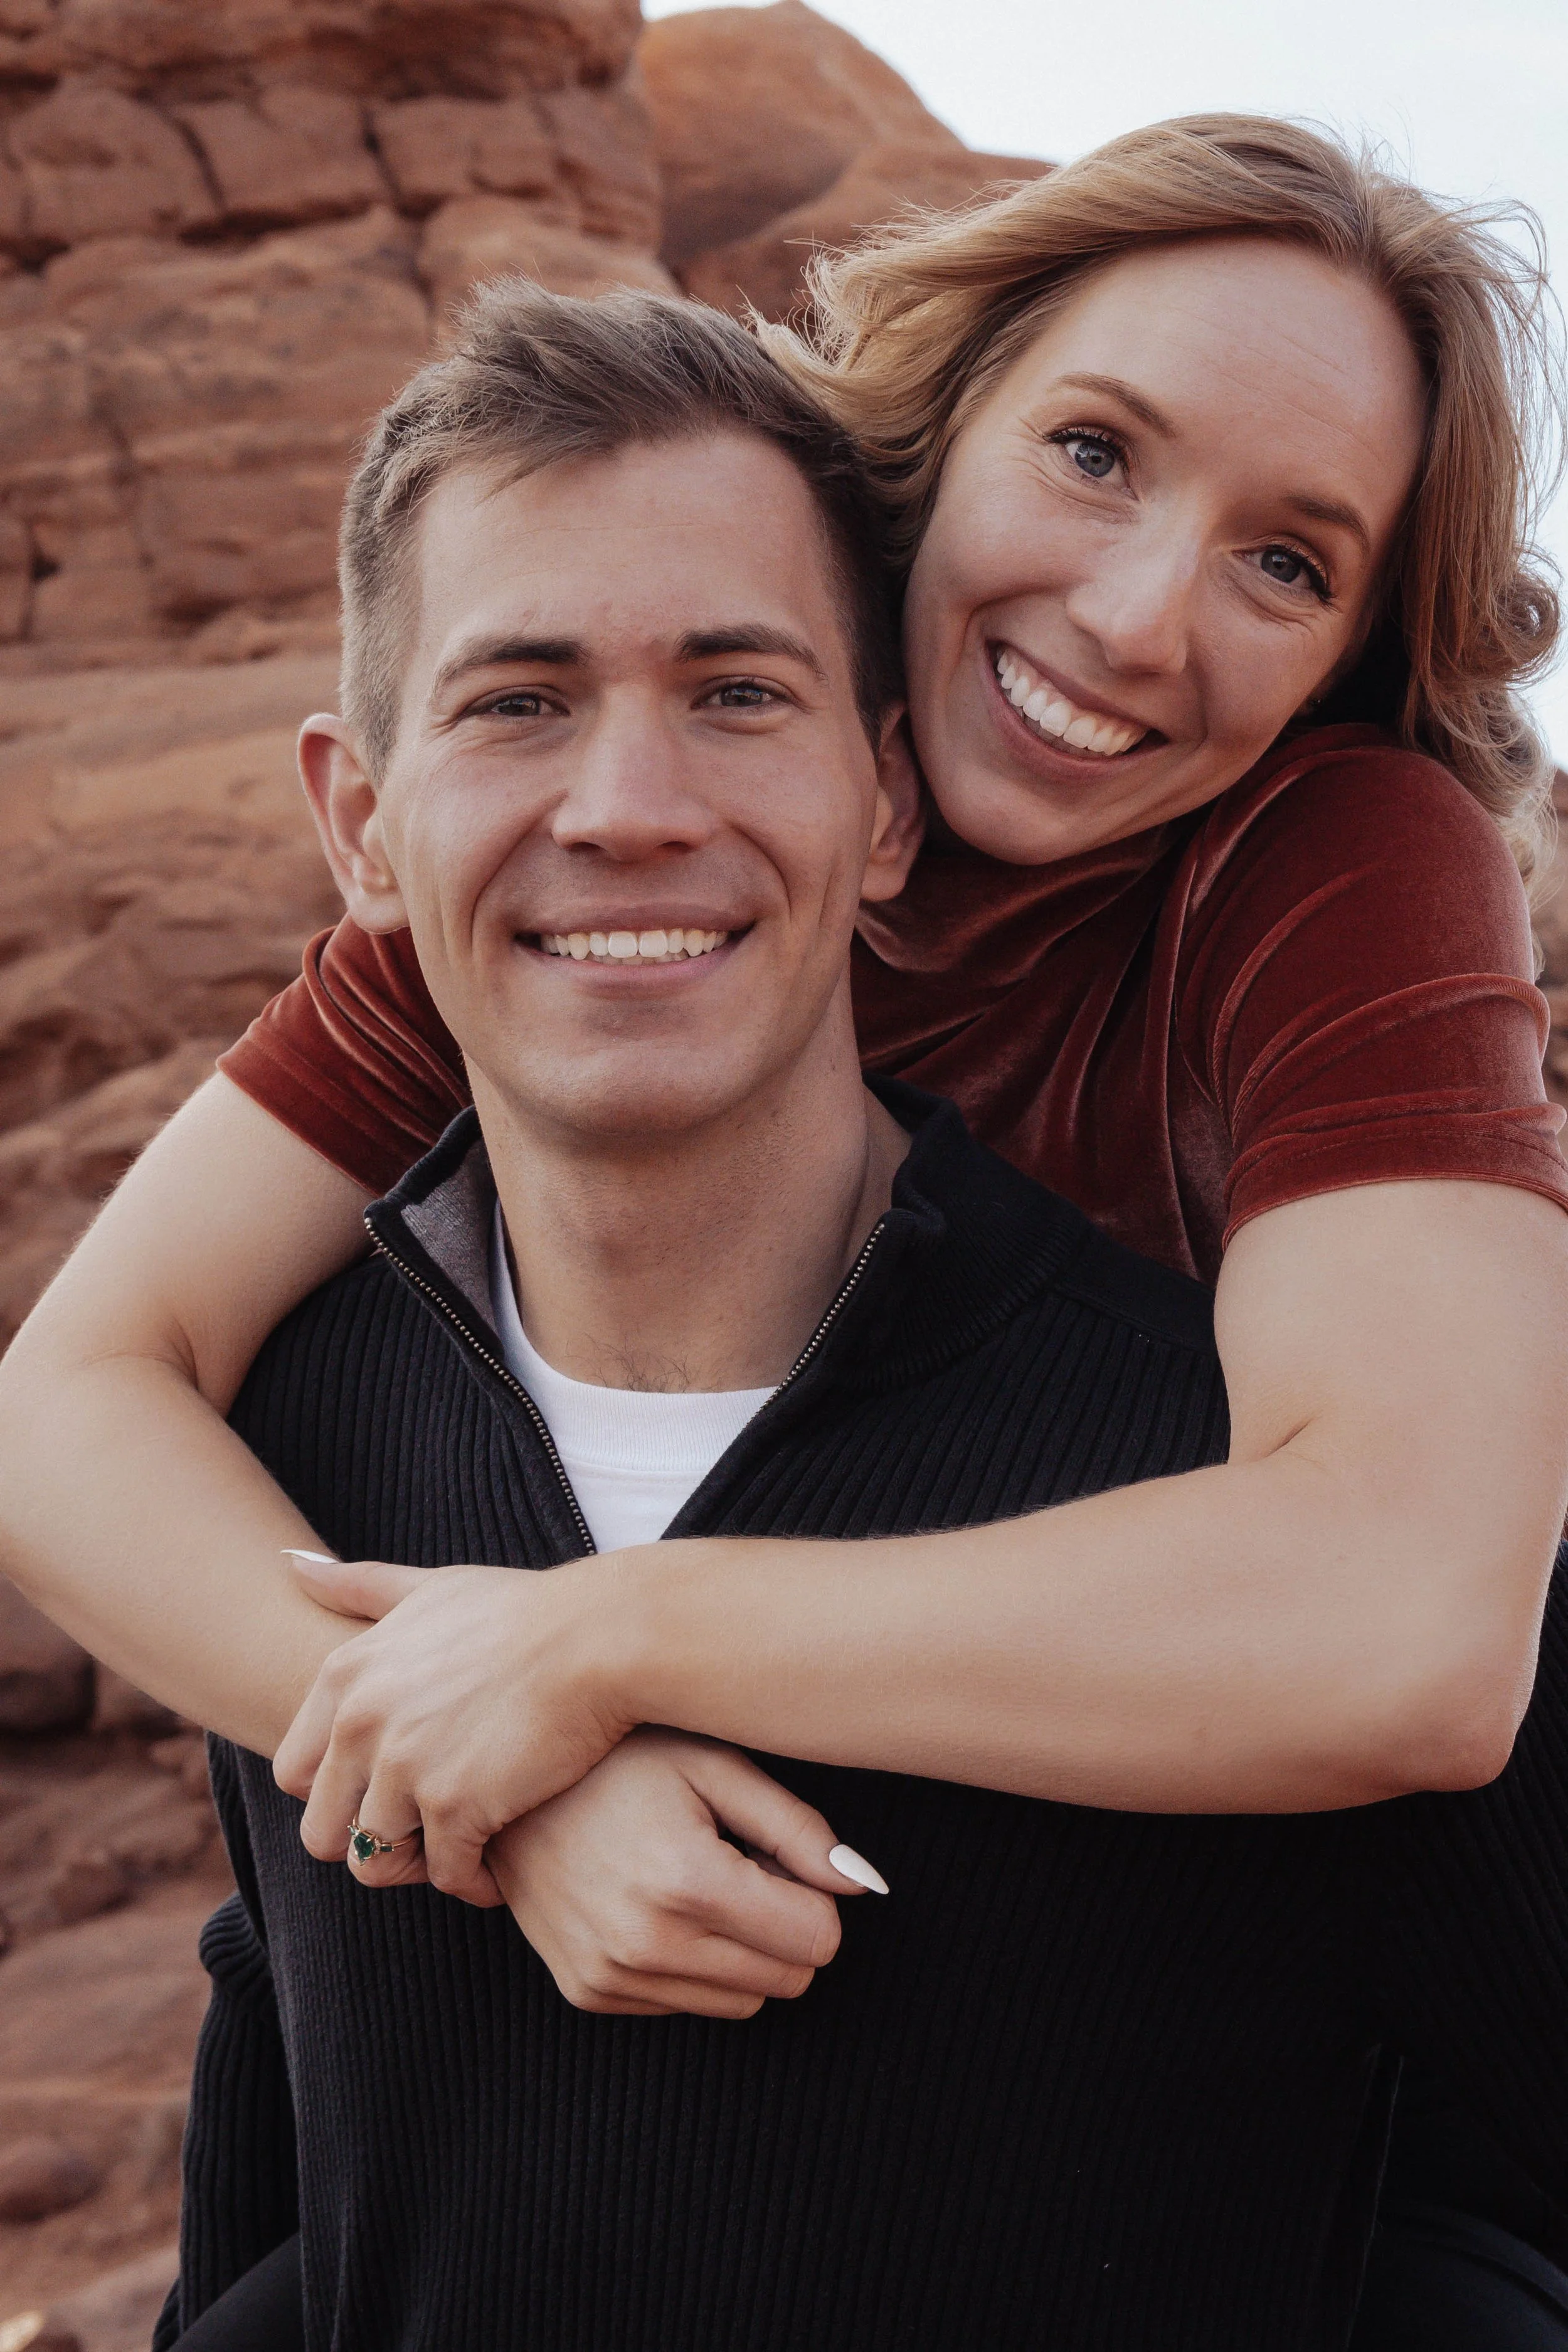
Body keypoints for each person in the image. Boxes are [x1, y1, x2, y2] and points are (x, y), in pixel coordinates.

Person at [0, 114, 1565, 2331]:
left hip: (1209, 2011)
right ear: (934, 438)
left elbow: (1410, 1616)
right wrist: (497, 1784)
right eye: (1096, 453)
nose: (1136, 615)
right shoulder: (603, 858)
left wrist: (602, 1640)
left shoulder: (1320, 868)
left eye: (1286, 564)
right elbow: (69, 1398)